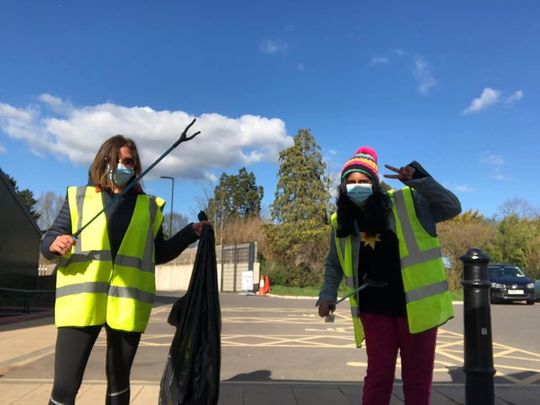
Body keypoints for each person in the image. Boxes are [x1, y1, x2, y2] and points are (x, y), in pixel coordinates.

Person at [41, 135, 208, 405]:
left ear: (137, 167)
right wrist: (54, 244)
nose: (120, 165)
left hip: (127, 305)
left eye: (127, 161)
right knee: (64, 386)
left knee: (119, 387)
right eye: (114, 159)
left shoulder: (150, 207)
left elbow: (158, 252)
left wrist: (191, 233)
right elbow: (47, 241)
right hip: (81, 304)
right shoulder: (78, 198)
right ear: (102, 161)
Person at [317, 146, 461, 405]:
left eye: (363, 181)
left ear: (375, 183)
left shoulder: (408, 201)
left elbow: (451, 207)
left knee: (417, 381)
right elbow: (334, 263)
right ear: (342, 187)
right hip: (373, 309)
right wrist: (327, 295)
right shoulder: (341, 220)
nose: (357, 187)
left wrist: (419, 180)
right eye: (351, 182)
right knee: (377, 377)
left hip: (417, 310)